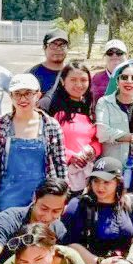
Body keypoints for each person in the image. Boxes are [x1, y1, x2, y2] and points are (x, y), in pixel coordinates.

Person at [0, 74, 67, 211]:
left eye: (28, 94)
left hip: (42, 200)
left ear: (38, 95)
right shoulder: (2, 124)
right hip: (7, 198)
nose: (23, 99)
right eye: (17, 94)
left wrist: (62, 197)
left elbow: (60, 164)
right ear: (11, 96)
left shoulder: (50, 125)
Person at [43, 61, 101, 195]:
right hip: (59, 173)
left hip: (86, 174)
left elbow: (98, 139)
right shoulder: (50, 106)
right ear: (63, 81)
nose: (79, 85)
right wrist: (70, 156)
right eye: (73, 80)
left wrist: (92, 150)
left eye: (83, 80)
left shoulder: (91, 106)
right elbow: (43, 139)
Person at [26, 29, 69, 95]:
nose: (58, 49)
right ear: (44, 47)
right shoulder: (31, 75)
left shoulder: (74, 73)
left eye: (62, 45)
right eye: (53, 45)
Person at [89, 39, 128, 107]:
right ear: (105, 56)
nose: (114, 55)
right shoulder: (95, 78)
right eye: (110, 53)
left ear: (127, 56)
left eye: (119, 52)